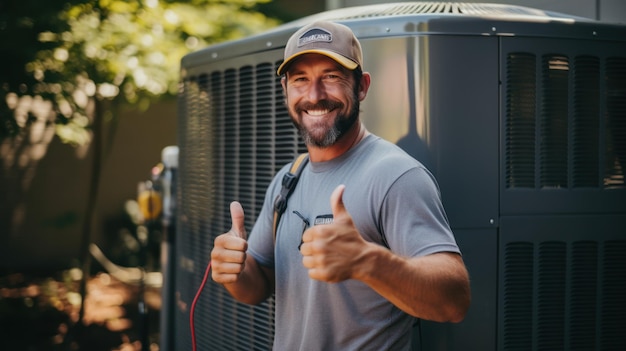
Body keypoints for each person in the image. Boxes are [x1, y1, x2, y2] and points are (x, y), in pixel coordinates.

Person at [210, 20, 471, 350]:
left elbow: (454, 302)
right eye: (301, 80)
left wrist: (366, 261)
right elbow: (258, 285)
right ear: (285, 91)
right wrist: (234, 269)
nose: (315, 95)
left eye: (331, 77)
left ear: (361, 87)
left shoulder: (395, 175)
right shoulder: (288, 178)